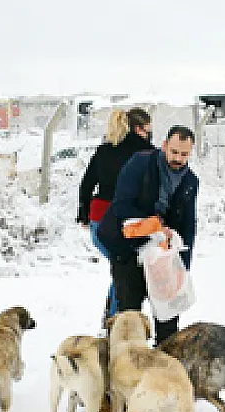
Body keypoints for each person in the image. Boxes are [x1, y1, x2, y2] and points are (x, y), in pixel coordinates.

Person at [95, 125, 198, 346]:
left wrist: (183, 266)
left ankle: (164, 364)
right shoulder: (140, 164)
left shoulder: (190, 182)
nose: (178, 158)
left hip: (162, 256)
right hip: (127, 247)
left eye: (184, 154)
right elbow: (122, 204)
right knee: (129, 316)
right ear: (164, 146)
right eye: (174, 152)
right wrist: (155, 228)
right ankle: (126, 367)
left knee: (168, 316)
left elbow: (188, 225)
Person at [77, 108, 153, 324]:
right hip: (124, 221)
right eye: (148, 130)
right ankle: (114, 320)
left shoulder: (103, 150)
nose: (149, 135)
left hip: (98, 219)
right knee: (124, 270)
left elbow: (86, 185)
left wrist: (83, 215)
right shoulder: (146, 152)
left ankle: (114, 317)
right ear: (138, 129)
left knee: (122, 268)